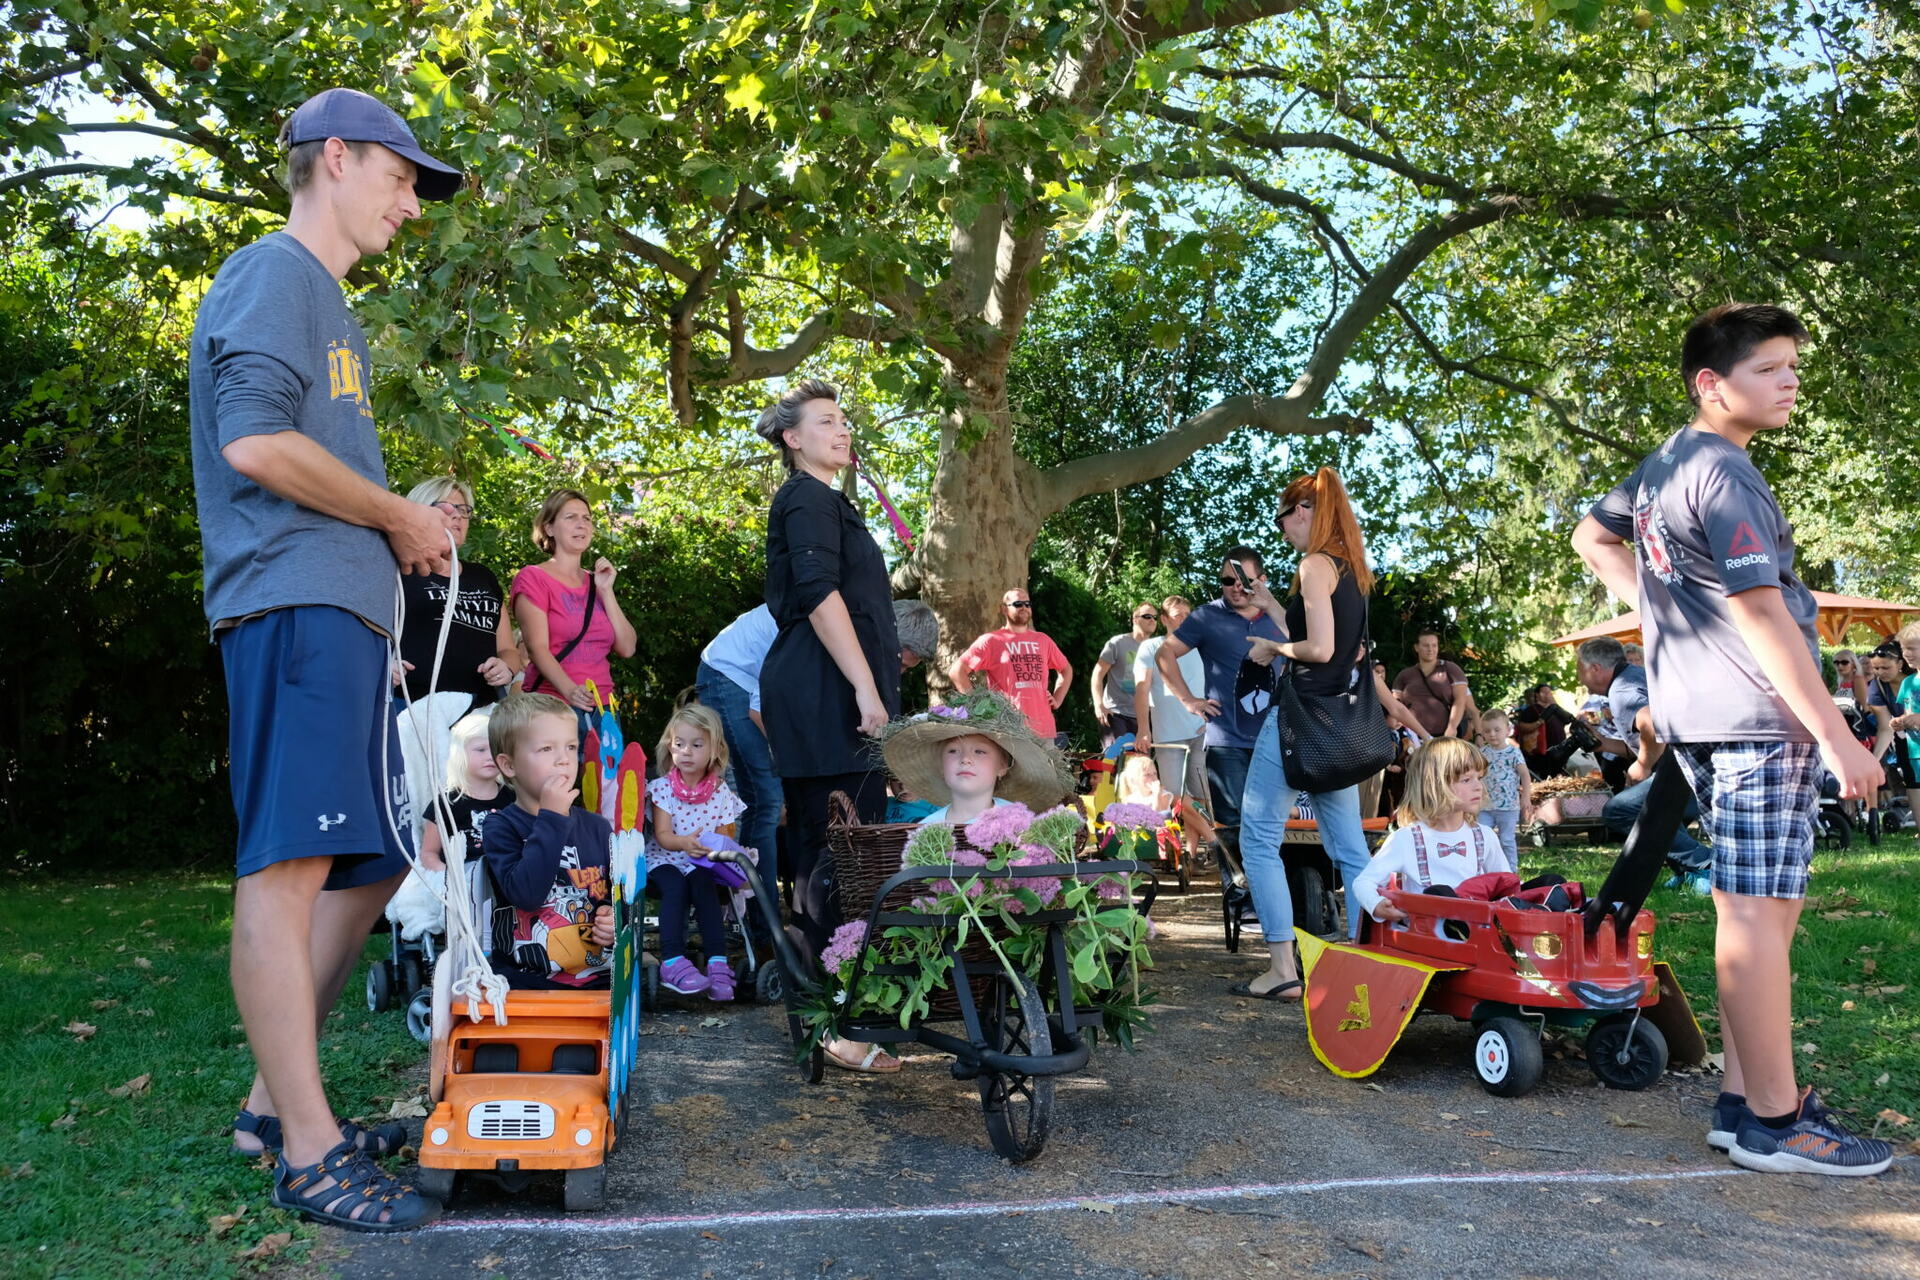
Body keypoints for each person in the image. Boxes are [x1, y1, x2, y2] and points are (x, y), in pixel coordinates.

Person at [191, 86, 461, 1230]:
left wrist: (396, 552)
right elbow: (253, 440)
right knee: (288, 868)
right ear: (336, 158)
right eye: (402, 176)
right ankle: (307, 1149)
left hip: (345, 626)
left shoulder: (331, 306)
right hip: (291, 609)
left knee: (371, 863)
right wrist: (397, 517)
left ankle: (273, 1104)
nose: (412, 202)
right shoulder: (275, 273)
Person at [1574, 302, 1890, 1176]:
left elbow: (1591, 535)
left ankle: (1744, 1101)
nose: (1791, 381)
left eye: (1792, 366)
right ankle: (1777, 1124)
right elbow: (1757, 610)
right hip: (1758, 719)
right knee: (1756, 912)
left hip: (1705, 717)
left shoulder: (1667, 462)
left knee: (1760, 909)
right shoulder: (1725, 473)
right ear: (1712, 385)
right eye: (1770, 368)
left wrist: (1668, 617)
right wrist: (1837, 735)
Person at [755, 379, 902, 956]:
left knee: (837, 848)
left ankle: (829, 1002)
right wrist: (866, 689)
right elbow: (819, 597)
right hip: (823, 691)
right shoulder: (807, 497)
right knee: (835, 850)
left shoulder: (828, 501)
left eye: (843, 421)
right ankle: (832, 1011)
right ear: (792, 438)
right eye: (825, 421)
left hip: (832, 689)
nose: (842, 430)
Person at [1228, 469, 1381, 999]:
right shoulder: (1353, 568)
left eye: (1284, 517)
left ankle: (1282, 970)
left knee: (1259, 839)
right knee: (1350, 848)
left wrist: (1272, 649)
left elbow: (1315, 651)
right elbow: (1333, 644)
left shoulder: (1314, 563)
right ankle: (1368, 960)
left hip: (1299, 721)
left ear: (1303, 511)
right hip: (1336, 726)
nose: (1283, 529)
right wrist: (1273, 606)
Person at [1155, 547, 1286, 874]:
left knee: (1274, 825)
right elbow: (1164, 655)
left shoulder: (1279, 617)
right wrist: (1189, 701)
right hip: (1226, 741)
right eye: (1229, 580)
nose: (1237, 587)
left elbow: (1315, 652)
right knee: (1233, 826)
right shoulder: (1206, 617)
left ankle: (1277, 904)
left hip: (1276, 739)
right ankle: (1242, 902)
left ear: (1263, 580)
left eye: (1245, 580)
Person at [482, 693, 615, 990]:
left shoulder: (597, 827)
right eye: (545, 749)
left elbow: (613, 895)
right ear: (508, 764)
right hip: (527, 981)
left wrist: (611, 916)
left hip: (599, 979)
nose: (563, 759)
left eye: (570, 747)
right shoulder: (501, 827)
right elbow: (527, 895)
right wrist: (552, 818)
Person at [510, 488, 638, 736]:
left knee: (605, 777)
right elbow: (537, 649)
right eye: (571, 517)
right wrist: (570, 690)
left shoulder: (597, 582)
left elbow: (627, 648)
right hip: (552, 708)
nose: (581, 524)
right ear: (549, 528)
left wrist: (606, 591)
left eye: (586, 518)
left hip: (604, 710)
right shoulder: (533, 577)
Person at [646, 704, 746, 1001]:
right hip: (664, 858)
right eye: (679, 744)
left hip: (700, 862)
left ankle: (717, 961)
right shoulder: (662, 788)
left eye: (696, 744)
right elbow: (663, 836)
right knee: (675, 886)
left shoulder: (721, 792)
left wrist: (718, 849)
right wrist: (685, 842)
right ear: (670, 747)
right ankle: (672, 960)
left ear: (714, 749)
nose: (686, 751)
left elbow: (727, 835)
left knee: (704, 887)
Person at [1351, 738, 1511, 924]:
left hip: (1476, 931)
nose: (1478, 787)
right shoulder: (1407, 839)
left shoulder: (1484, 836)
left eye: (1479, 778)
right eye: (1466, 780)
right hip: (1427, 934)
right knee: (1440, 894)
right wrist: (1377, 904)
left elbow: (1506, 884)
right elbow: (1363, 883)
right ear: (1435, 786)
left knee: (1548, 882)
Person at [393, 476, 519, 708]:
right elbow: (368, 635)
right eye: (446, 508)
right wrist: (384, 665)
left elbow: (507, 649)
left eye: (464, 510)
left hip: (479, 714)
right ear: (419, 513)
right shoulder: (400, 570)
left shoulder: (484, 577)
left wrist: (507, 667)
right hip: (413, 708)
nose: (458, 515)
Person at [879, 691, 1079, 827]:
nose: (965, 759)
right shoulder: (927, 829)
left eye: (980, 752)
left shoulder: (1021, 823)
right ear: (940, 766)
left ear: (1003, 766)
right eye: (953, 751)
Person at [951, 589, 1073, 743]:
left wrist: (1057, 699)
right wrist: (978, 706)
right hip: (1007, 729)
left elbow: (1066, 670)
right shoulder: (991, 640)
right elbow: (957, 672)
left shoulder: (1043, 640)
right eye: (1018, 604)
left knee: (1044, 768)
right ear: (1003, 609)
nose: (1024, 607)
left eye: (1027, 604)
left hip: (1044, 730)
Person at [1132, 596, 1209, 812]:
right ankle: (1176, 843)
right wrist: (1143, 730)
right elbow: (1141, 689)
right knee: (1175, 797)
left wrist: (1215, 722)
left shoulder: (1202, 646)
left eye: (1188, 615)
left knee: (1202, 794)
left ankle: (1197, 846)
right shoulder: (1151, 646)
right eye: (1178, 616)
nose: (1184, 620)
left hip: (1201, 731)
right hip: (1169, 734)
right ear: (1165, 619)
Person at [1091, 603, 1157, 749]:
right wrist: (1098, 705)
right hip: (1116, 714)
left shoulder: (1157, 648)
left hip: (1144, 718)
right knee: (1115, 762)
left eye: (1155, 617)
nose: (1152, 620)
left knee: (1141, 765)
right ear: (1135, 619)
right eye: (1147, 616)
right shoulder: (1118, 643)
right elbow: (1097, 674)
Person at [1392, 630, 1473, 740]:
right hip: (1414, 737)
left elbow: (1460, 700)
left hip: (1446, 735)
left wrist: (1452, 727)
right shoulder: (1404, 675)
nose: (1430, 649)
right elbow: (1396, 705)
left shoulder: (1451, 669)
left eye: (1434, 645)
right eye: (1426, 645)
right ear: (1416, 647)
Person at [1476, 710, 1532, 865]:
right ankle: (1484, 869)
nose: (1492, 734)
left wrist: (1526, 797)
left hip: (1508, 806)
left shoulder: (1513, 753)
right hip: (1485, 806)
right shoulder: (1482, 753)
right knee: (1481, 838)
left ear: (1508, 730)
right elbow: (1477, 775)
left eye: (1497, 730)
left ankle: (1510, 871)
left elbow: (1525, 775)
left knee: (1506, 840)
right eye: (1487, 731)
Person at [1887, 623, 1920, 822]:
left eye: (1911, 648)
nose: (1905, 653)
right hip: (1914, 750)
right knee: (1915, 790)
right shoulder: (1908, 682)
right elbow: (1908, 712)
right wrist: (1900, 722)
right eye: (1903, 649)